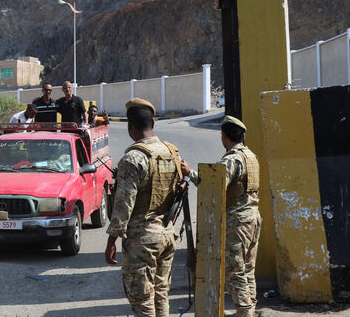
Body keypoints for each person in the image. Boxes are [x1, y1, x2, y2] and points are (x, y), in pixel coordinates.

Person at [104, 98, 181, 317]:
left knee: (142, 299)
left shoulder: (133, 158)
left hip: (142, 241)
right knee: (160, 295)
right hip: (166, 234)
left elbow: (123, 205)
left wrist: (112, 240)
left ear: (130, 126)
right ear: (153, 125)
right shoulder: (171, 152)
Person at [181, 116, 260, 317]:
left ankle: (244, 312)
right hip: (253, 219)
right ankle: (249, 309)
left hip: (238, 223)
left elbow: (214, 187)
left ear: (224, 136)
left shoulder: (232, 158)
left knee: (236, 271)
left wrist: (190, 173)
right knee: (248, 269)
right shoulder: (251, 155)